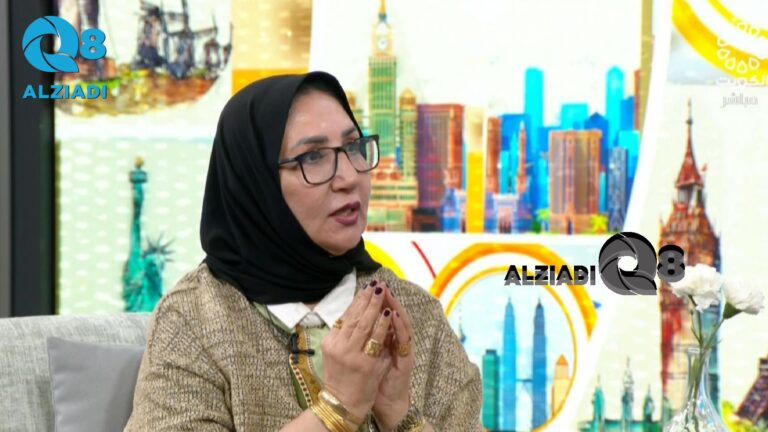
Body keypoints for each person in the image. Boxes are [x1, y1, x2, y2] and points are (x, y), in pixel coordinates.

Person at [123, 71, 482, 432]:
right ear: (256, 182)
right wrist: (337, 409)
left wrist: (401, 417)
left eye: (353, 147)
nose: (349, 178)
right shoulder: (195, 319)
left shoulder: (413, 314)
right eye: (313, 157)